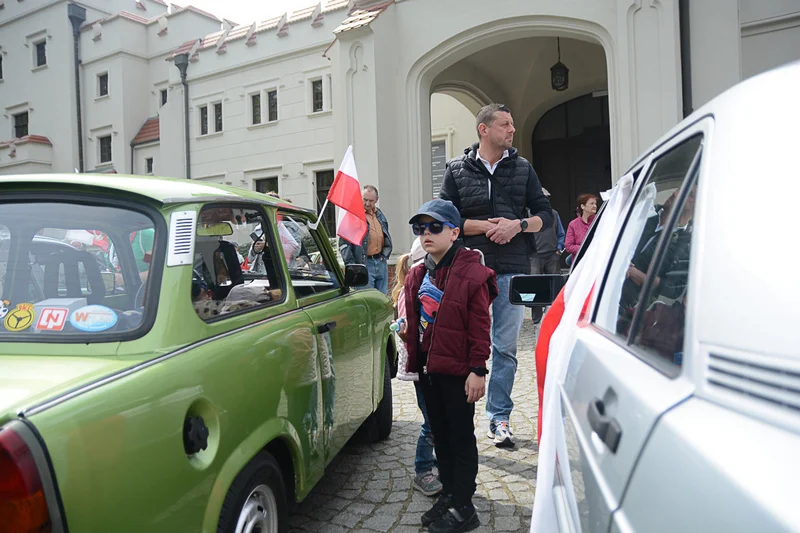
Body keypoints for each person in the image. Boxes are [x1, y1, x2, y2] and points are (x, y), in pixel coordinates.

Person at [440, 103, 553, 448]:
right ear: (484, 130)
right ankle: (459, 417)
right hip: (467, 270)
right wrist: (485, 226)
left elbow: (545, 215)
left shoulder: (523, 168)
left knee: (505, 348)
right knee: (462, 346)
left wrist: (516, 225)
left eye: (513, 124)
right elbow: (445, 217)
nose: (512, 130)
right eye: (505, 124)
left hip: (513, 270)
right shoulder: (457, 169)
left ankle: (499, 418)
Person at [397, 199, 497, 533]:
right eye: (420, 228)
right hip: (428, 373)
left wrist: (478, 369)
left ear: (454, 232)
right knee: (440, 435)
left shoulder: (472, 271)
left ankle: (464, 506)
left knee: (460, 437)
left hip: (458, 372)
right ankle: (450, 494)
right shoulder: (418, 273)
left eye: (434, 226)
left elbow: (480, 324)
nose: (426, 233)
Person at [392, 238, 443, 497]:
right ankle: (422, 470)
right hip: (421, 367)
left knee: (439, 417)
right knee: (431, 421)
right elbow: (409, 329)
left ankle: (437, 462)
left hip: (436, 364)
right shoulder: (411, 290)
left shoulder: (433, 284)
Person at [339, 185, 393, 294]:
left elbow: (386, 233)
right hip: (364, 264)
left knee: (382, 298)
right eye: (365, 199)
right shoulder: (353, 216)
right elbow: (344, 243)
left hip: (381, 261)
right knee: (368, 300)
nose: (368, 203)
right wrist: (352, 265)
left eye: (371, 201)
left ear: (377, 200)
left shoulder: (379, 214)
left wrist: (384, 255)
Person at [530, 187, 565, 324]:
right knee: (535, 288)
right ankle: (536, 319)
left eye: (547, 198)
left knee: (554, 287)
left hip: (552, 255)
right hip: (534, 256)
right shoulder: (528, 215)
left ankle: (555, 317)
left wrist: (559, 248)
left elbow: (561, 233)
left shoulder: (554, 214)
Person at [564, 193, 598, 264]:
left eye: (595, 203)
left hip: (596, 262)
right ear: (582, 206)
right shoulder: (573, 224)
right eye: (591, 203)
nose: (595, 206)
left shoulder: (600, 221)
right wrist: (585, 249)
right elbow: (569, 246)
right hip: (580, 264)